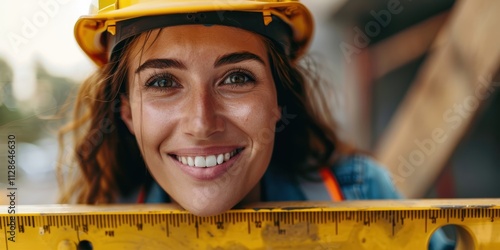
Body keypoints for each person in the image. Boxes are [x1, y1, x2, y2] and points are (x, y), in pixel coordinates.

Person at [58, 0, 454, 248]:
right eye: (163, 82)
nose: (201, 122)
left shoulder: (360, 192)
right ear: (126, 112)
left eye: (236, 78)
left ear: (279, 100)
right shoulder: (91, 237)